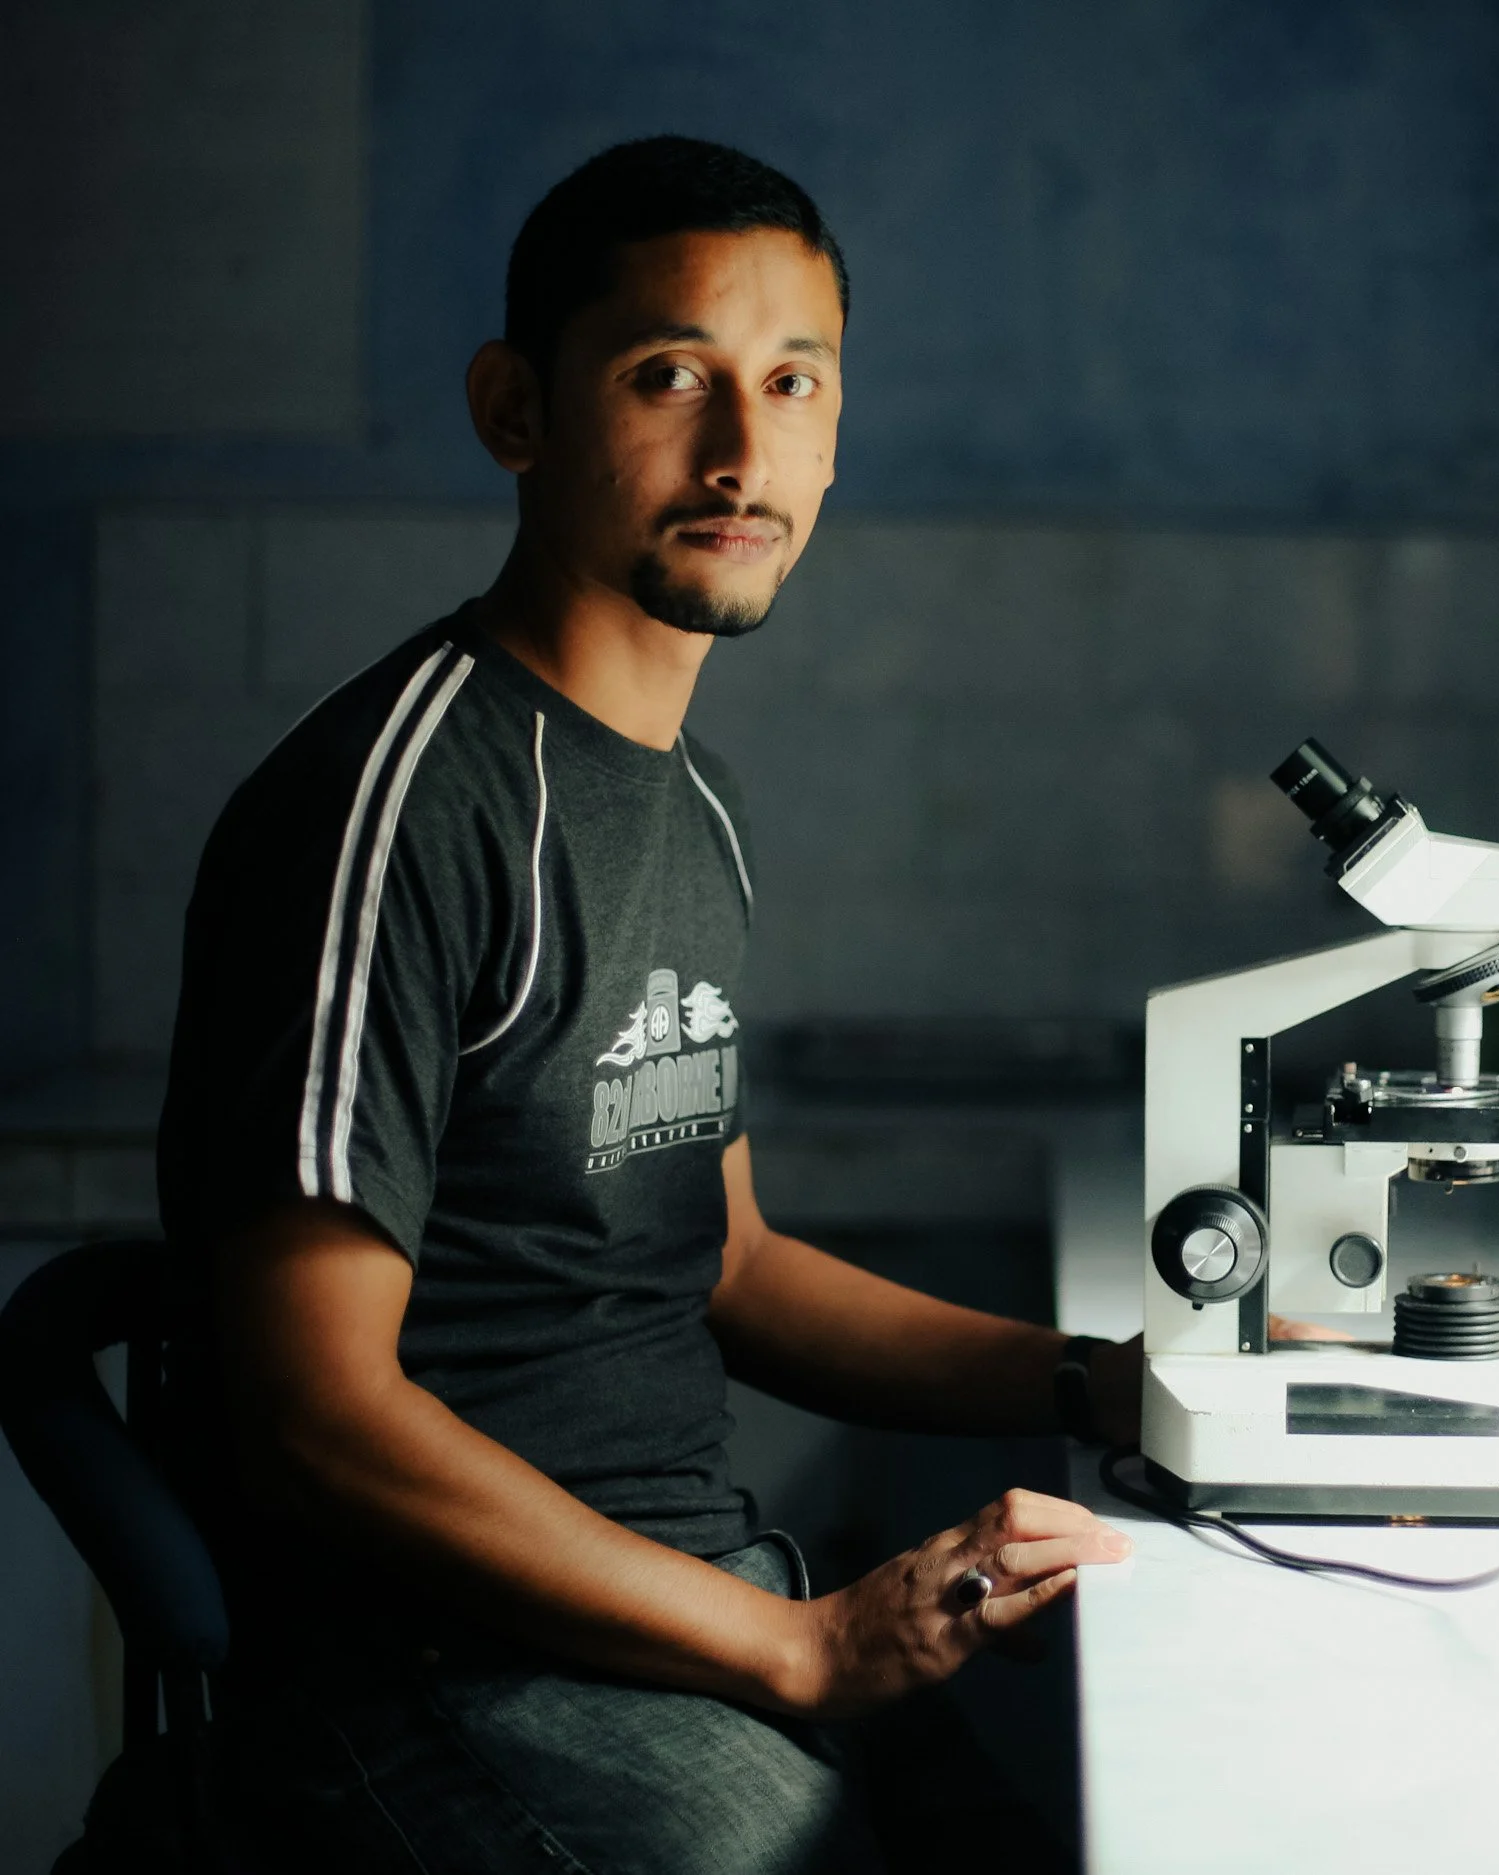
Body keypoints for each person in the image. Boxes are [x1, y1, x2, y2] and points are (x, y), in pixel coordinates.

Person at [153, 135, 1136, 1873]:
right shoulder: (405, 805)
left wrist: (1105, 1382)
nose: (743, 453)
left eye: (793, 382)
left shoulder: (693, 807)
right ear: (515, 409)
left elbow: (729, 1265)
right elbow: (312, 1413)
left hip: (688, 1615)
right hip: (443, 1685)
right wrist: (800, 1645)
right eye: (669, 375)